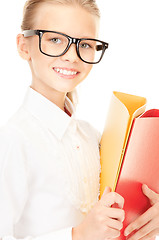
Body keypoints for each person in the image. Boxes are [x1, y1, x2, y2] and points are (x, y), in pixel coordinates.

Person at [0, 1, 159, 240]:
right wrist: (78, 235)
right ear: (24, 46)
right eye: (55, 40)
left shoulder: (93, 137)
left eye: (84, 44)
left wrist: (146, 218)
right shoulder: (13, 140)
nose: (72, 56)